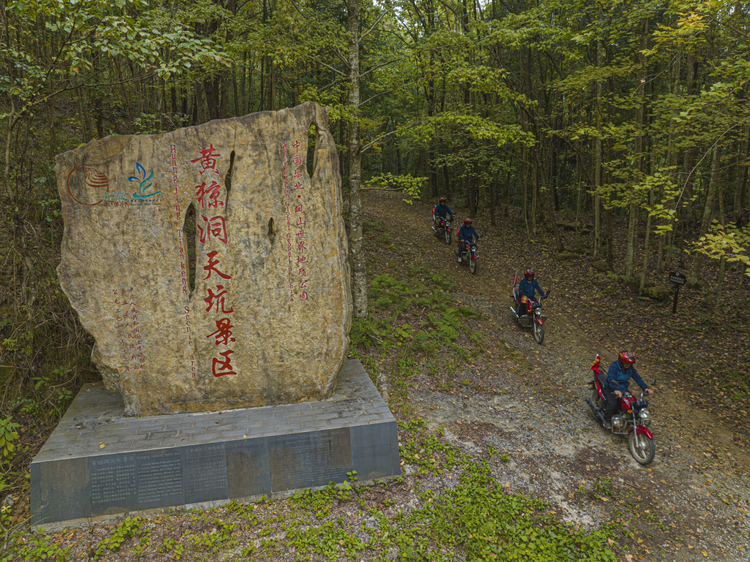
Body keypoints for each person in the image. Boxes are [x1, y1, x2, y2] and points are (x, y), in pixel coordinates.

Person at [602, 351, 653, 429]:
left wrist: (645, 388)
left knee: (632, 403)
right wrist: (615, 389)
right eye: (626, 364)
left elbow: (637, 378)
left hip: (623, 389)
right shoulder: (614, 366)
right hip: (611, 388)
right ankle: (606, 419)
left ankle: (630, 420)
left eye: (630, 364)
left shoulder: (630, 368)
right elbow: (611, 378)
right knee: (612, 404)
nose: (628, 365)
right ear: (621, 362)